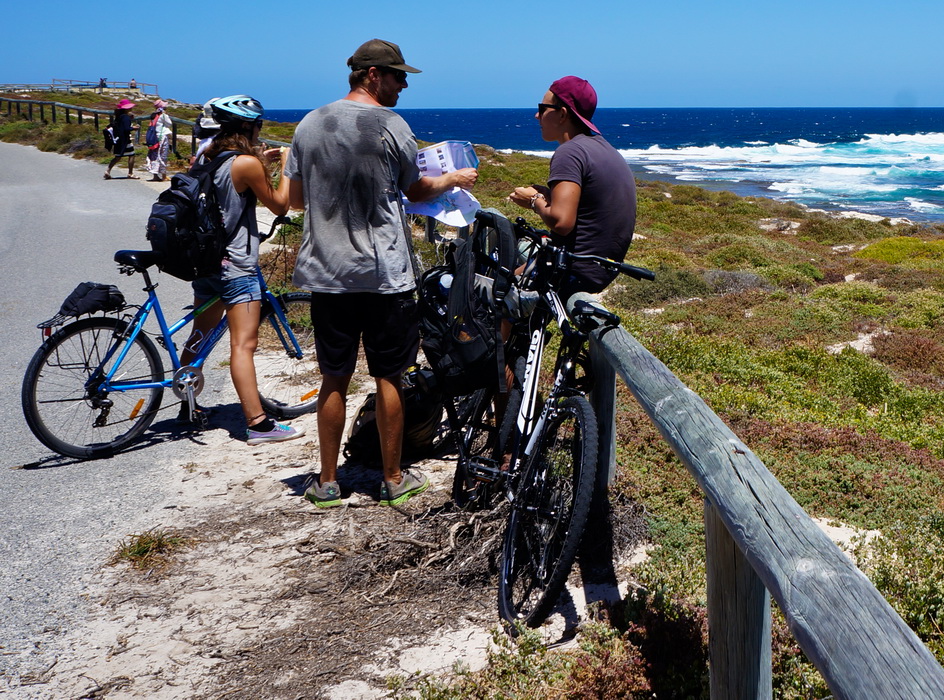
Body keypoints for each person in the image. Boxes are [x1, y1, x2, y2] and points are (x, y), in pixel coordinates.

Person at [284, 39, 478, 507]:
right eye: (397, 75)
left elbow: (292, 199)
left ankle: (328, 482)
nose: (404, 84)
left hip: (328, 273)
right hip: (384, 273)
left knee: (334, 377)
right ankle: (393, 479)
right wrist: (452, 180)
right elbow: (416, 187)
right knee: (389, 376)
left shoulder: (309, 124)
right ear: (372, 74)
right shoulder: (391, 125)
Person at [178, 96, 304, 442]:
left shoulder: (207, 156)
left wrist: (261, 162)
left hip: (205, 264)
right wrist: (287, 166)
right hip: (236, 267)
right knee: (243, 346)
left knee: (200, 336)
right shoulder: (246, 163)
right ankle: (259, 423)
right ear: (248, 126)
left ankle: (187, 403)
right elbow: (281, 205)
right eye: (258, 125)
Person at [507, 76, 637, 295]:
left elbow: (562, 222)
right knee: (512, 277)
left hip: (572, 269)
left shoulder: (569, 152)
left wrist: (532, 200)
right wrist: (547, 194)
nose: (536, 115)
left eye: (543, 108)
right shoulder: (603, 148)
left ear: (562, 114)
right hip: (600, 269)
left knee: (496, 299)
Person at [104, 98, 136, 179]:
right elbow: (126, 129)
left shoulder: (119, 116)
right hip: (125, 139)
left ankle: (108, 170)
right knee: (131, 155)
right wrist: (133, 128)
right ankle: (130, 173)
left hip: (118, 139)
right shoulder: (126, 118)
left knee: (118, 156)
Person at [144, 100, 173, 182]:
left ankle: (155, 175)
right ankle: (164, 175)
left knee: (155, 155)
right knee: (163, 155)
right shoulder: (163, 115)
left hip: (155, 137)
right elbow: (169, 124)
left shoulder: (154, 115)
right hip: (162, 137)